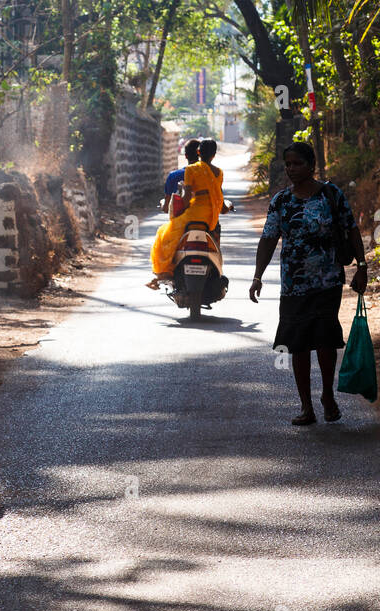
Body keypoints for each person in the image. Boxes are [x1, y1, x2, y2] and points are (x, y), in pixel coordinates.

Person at [249, 140, 366, 426]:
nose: (291, 169)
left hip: (327, 281)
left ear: (311, 165)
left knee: (325, 340)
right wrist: (257, 276)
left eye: (297, 163)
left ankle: (327, 395)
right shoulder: (281, 202)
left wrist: (362, 267)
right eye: (287, 164)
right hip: (293, 285)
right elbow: (268, 239)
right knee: (297, 343)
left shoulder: (331, 195)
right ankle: (306, 406)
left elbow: (351, 230)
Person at [147, 137, 225, 286]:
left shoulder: (191, 169)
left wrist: (179, 211)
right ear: (214, 154)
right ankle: (217, 266)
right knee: (216, 235)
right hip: (211, 217)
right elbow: (217, 196)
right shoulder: (219, 173)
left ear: (198, 152)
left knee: (165, 234)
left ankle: (165, 270)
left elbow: (187, 197)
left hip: (195, 214)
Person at [160, 139, 200, 215]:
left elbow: (166, 209)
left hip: (180, 222)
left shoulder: (173, 176)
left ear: (186, 155)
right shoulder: (209, 174)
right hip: (205, 219)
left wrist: (162, 203)